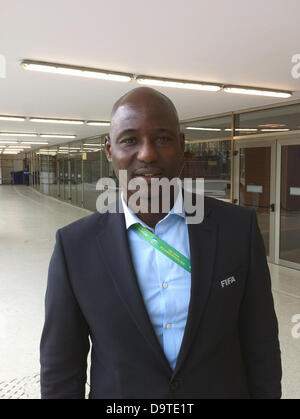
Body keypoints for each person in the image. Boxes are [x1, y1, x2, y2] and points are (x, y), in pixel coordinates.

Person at [40, 87, 282, 399]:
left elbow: (260, 344)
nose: (147, 154)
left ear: (182, 146)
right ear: (109, 150)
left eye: (163, 138)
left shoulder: (237, 229)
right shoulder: (74, 247)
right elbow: (61, 368)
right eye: (129, 140)